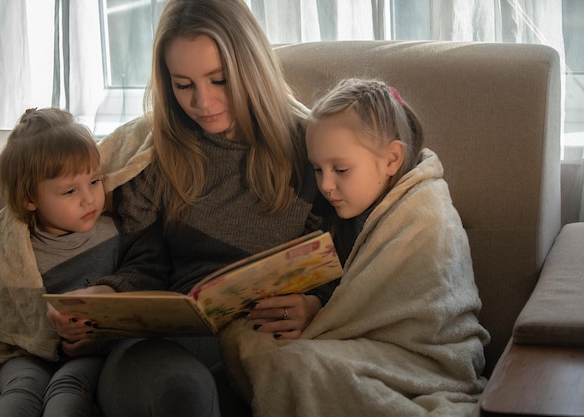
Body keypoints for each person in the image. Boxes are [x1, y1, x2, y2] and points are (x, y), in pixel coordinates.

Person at [45, 0, 336, 416]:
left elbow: (343, 260)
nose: (203, 102)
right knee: (185, 392)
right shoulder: (159, 156)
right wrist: (101, 302)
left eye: (219, 80)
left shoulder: (312, 153)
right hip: (159, 351)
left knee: (266, 378)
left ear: (251, 69)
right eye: (183, 85)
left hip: (263, 342)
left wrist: (315, 304)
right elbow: (144, 266)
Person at [220, 78, 491, 417]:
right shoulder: (339, 212)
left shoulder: (426, 216)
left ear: (391, 159)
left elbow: (430, 313)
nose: (326, 185)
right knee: (244, 338)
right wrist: (314, 303)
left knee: (297, 365)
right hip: (350, 346)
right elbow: (346, 290)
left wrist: (323, 316)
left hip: (424, 356)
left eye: (341, 169)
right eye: (317, 169)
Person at [0, 108, 119, 417]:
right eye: (71, 190)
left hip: (86, 354)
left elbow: (132, 305)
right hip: (25, 353)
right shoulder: (7, 250)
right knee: (23, 388)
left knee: (69, 387)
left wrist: (101, 342)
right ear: (29, 198)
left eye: (95, 181)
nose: (90, 199)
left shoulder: (114, 235)